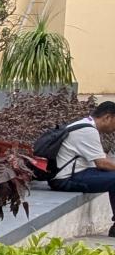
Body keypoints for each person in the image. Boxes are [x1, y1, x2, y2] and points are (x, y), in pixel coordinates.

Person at [49, 101, 115, 236]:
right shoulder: (87, 131)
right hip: (66, 179)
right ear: (108, 117)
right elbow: (101, 163)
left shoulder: (84, 125)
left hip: (76, 173)